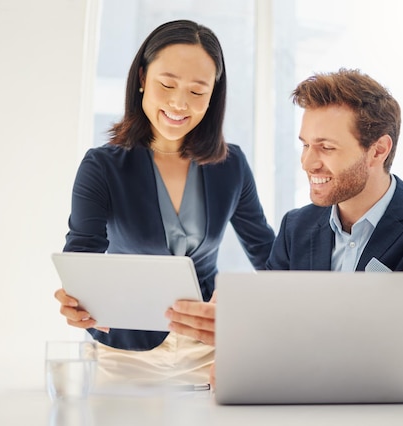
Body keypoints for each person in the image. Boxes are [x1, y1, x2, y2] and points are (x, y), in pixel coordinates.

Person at [167, 68, 403, 389]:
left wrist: (257, 331)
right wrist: (239, 331)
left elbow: (392, 343)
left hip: (402, 409)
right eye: (305, 145)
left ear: (378, 150)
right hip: (304, 403)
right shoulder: (296, 227)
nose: (307, 162)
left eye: (326, 148)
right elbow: (270, 318)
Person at [53, 19, 275, 386]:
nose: (178, 103)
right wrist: (77, 301)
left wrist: (244, 306)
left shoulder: (230, 165)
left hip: (207, 350)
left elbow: (268, 256)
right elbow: (82, 258)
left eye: (197, 91)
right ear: (142, 77)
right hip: (123, 352)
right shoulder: (102, 166)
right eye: (167, 84)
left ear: (213, 95)